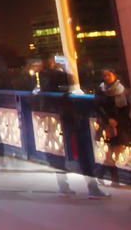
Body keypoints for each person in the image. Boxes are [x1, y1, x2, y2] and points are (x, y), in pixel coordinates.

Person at [38, 54, 107, 198]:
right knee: (83, 151)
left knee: (57, 151)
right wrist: (66, 69)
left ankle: (63, 186)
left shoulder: (43, 76)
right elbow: (73, 80)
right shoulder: (57, 75)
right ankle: (92, 187)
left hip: (53, 117)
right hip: (72, 115)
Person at [94, 70, 131, 188]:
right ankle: (113, 179)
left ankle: (102, 173)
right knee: (113, 151)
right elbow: (98, 106)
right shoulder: (100, 90)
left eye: (109, 75)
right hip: (108, 125)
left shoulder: (122, 90)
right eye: (105, 75)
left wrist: (118, 120)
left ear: (115, 76)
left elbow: (125, 108)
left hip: (121, 125)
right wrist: (108, 120)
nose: (106, 77)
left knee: (115, 151)